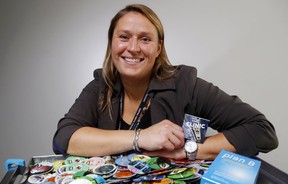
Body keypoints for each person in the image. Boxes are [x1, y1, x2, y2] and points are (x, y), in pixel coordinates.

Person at [53, 4, 278, 160]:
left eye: (145, 39)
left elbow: (262, 131)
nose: (132, 47)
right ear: (111, 43)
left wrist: (189, 150)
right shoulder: (100, 85)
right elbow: (65, 138)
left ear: (158, 48)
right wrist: (141, 138)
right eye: (123, 37)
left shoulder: (185, 85)